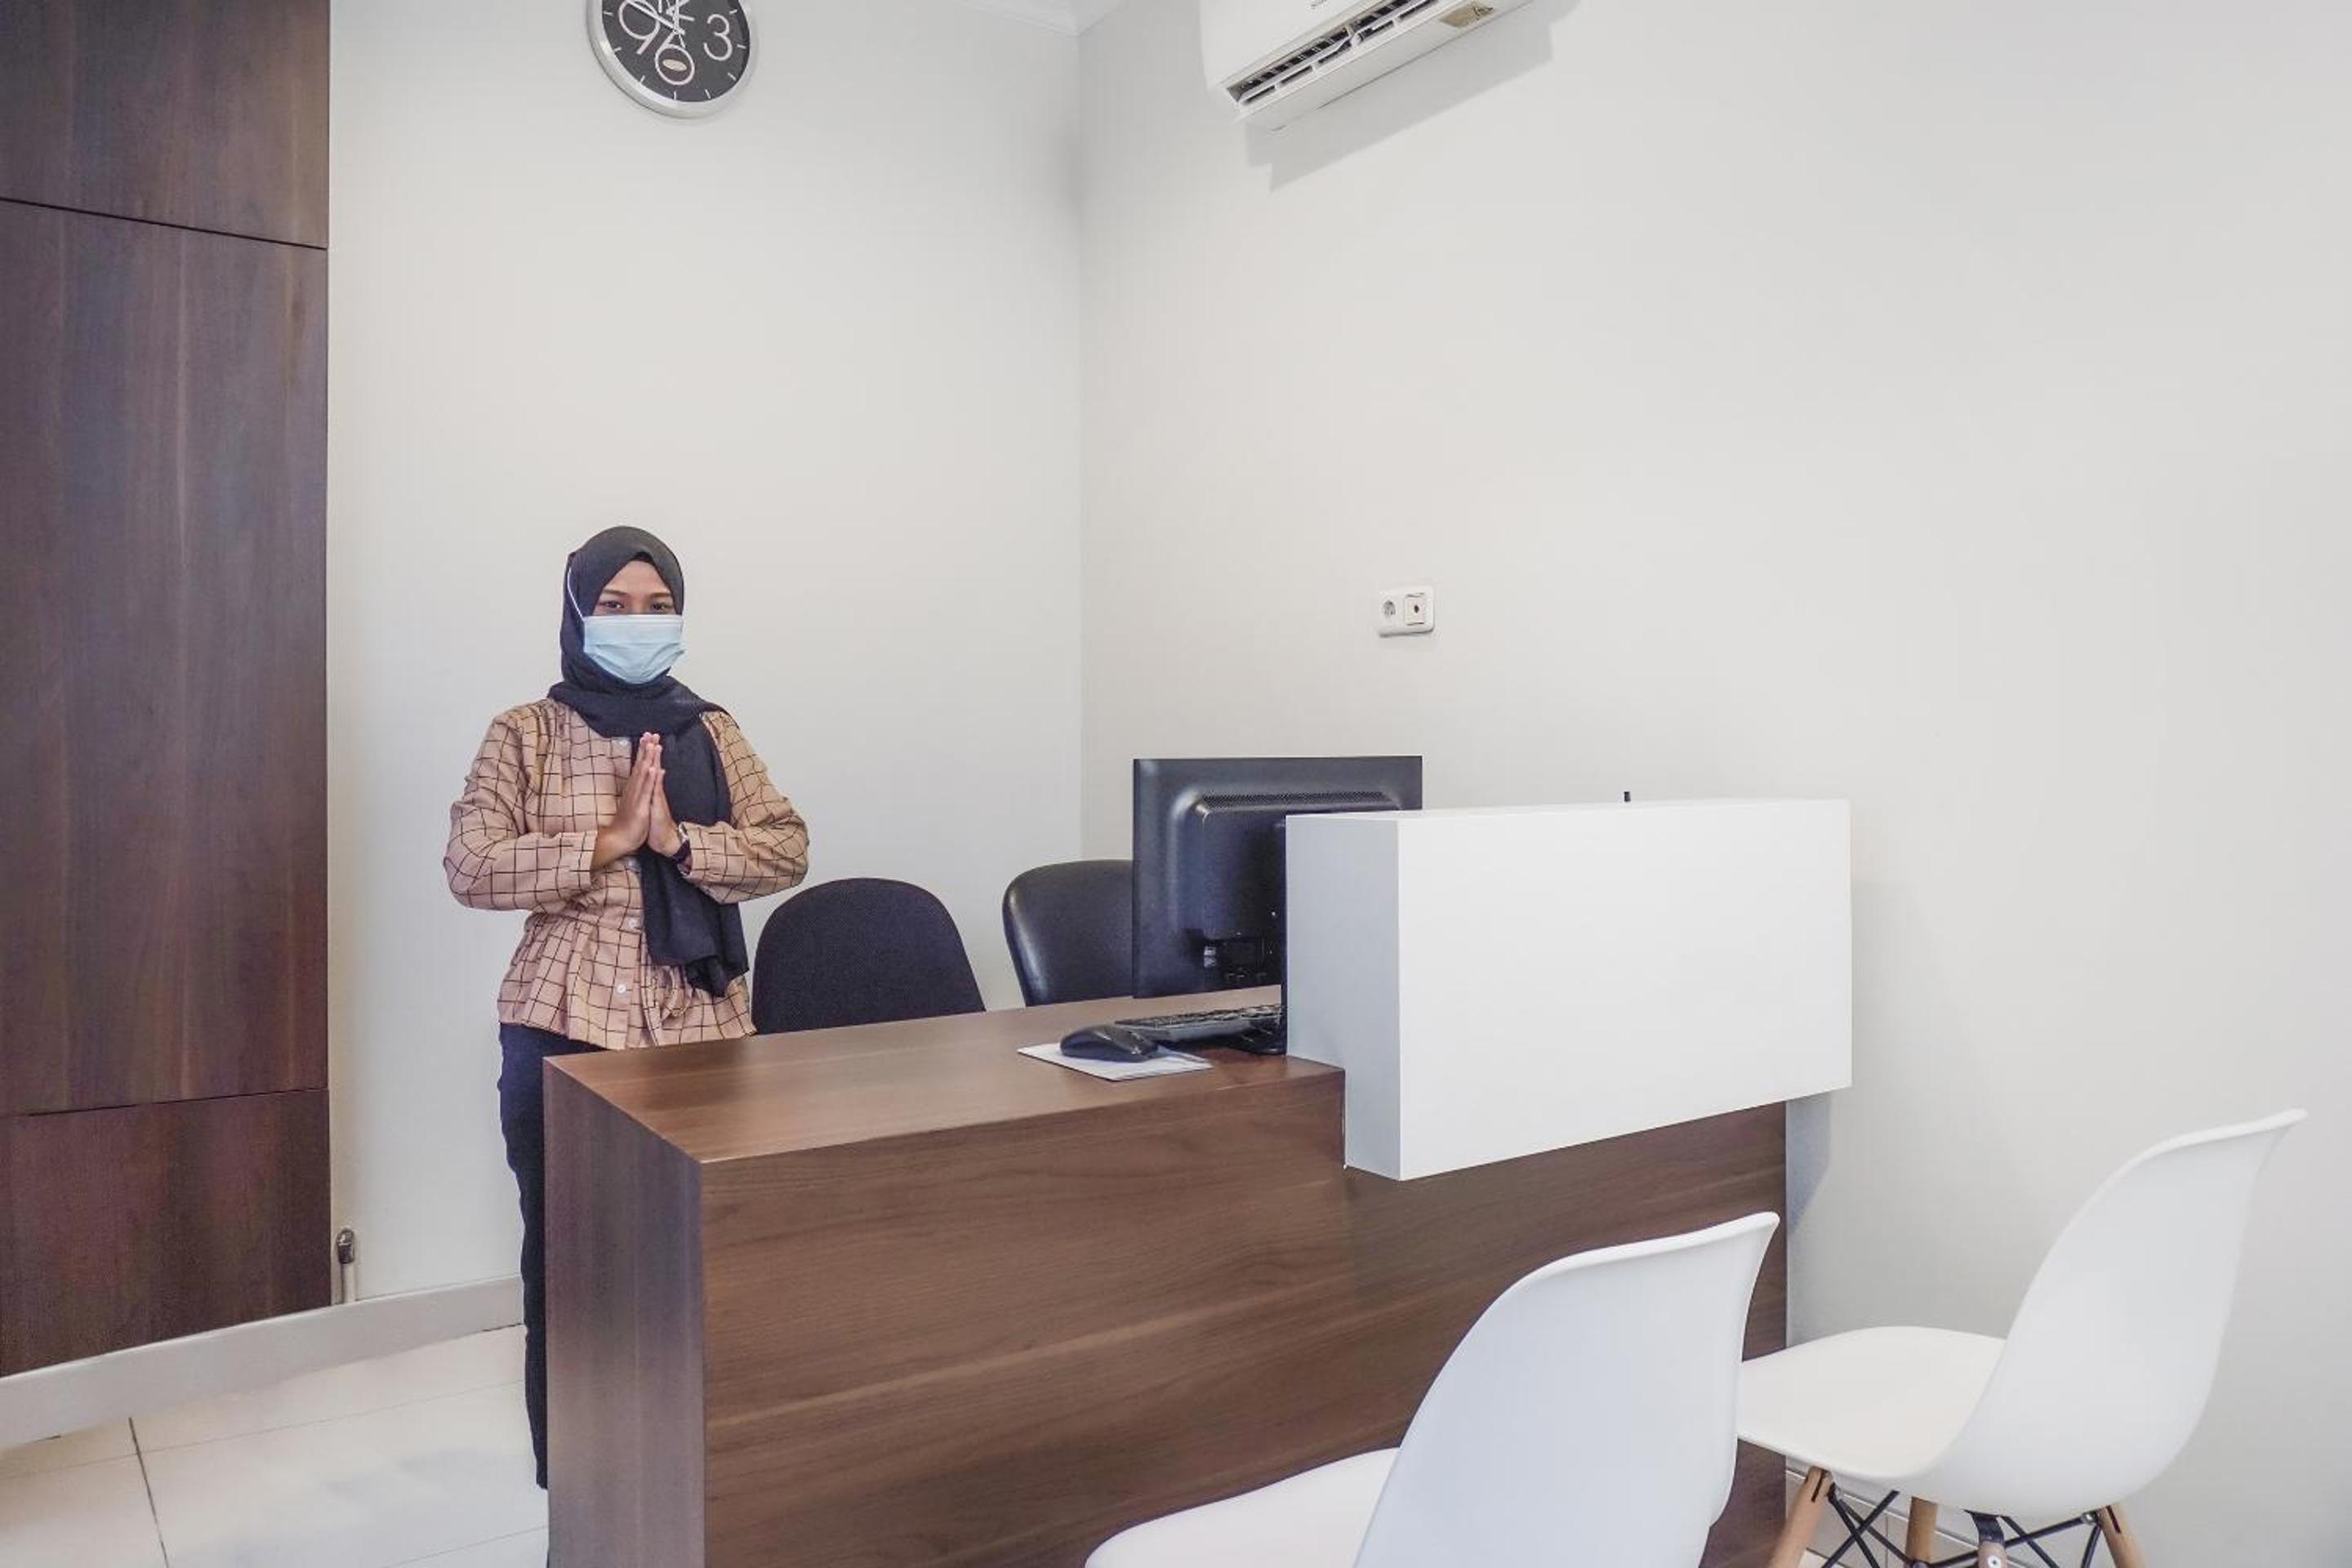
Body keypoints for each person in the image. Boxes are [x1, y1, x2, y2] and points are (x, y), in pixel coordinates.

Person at [444, 526, 808, 1490]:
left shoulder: (712, 730)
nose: (638, 624)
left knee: (706, 1262)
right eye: (615, 607)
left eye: (658, 608)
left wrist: (682, 841)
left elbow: (787, 846)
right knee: (572, 1265)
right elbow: (471, 867)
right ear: (578, 613)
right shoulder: (524, 731)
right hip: (563, 1024)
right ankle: (578, 1483)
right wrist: (605, 842)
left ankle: (701, 1480)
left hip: (703, 1028)